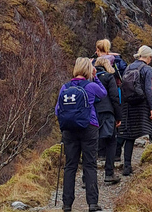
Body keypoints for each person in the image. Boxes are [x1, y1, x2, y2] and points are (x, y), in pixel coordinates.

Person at [55, 57, 107, 212]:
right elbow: (103, 94)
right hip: (89, 127)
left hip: (69, 130)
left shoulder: (65, 87)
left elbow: (57, 110)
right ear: (88, 70)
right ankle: (92, 203)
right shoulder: (91, 86)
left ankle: (67, 204)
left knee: (70, 166)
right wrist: (96, 76)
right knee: (90, 164)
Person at [117, 45, 152, 176]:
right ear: (148, 57)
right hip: (141, 105)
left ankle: (127, 166)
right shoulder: (147, 69)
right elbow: (148, 90)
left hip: (128, 105)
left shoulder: (129, 67)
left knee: (129, 135)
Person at [93, 57, 122, 184]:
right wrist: (118, 117)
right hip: (107, 112)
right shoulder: (109, 77)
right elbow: (115, 97)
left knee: (92, 143)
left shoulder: (90, 77)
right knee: (111, 141)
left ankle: (86, 178)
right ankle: (109, 173)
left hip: (93, 113)